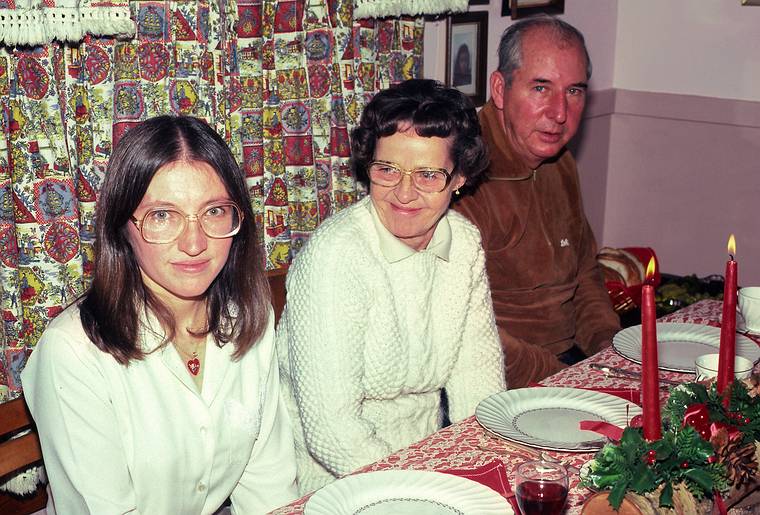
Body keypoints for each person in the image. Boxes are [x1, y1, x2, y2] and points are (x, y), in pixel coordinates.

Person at [21, 116, 298, 514]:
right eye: (162, 215)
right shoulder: (73, 354)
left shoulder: (248, 320)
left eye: (214, 211)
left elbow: (270, 487)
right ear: (122, 228)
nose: (194, 242)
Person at [277, 79, 506, 494]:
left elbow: (478, 387)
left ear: (460, 177)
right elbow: (332, 431)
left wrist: (481, 473)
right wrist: (416, 493)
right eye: (387, 170)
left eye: (428, 174)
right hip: (328, 482)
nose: (404, 192)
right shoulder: (336, 257)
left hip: (423, 463)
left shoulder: (464, 243)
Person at [454, 17, 620, 388]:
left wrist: (608, 348)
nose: (560, 113)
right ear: (500, 89)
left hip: (567, 364)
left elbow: (585, 275)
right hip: (491, 380)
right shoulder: (462, 174)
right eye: (541, 88)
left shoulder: (560, 163)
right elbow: (467, 328)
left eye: (574, 91)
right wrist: (562, 381)